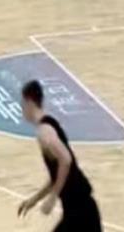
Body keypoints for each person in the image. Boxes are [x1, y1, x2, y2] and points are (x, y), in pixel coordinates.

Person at [18, 80, 102, 231]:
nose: (22, 110)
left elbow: (66, 159)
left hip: (80, 213)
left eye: (22, 105)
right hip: (81, 210)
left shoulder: (44, 132)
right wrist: (35, 199)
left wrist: (52, 197)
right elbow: (57, 174)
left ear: (29, 102)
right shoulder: (50, 124)